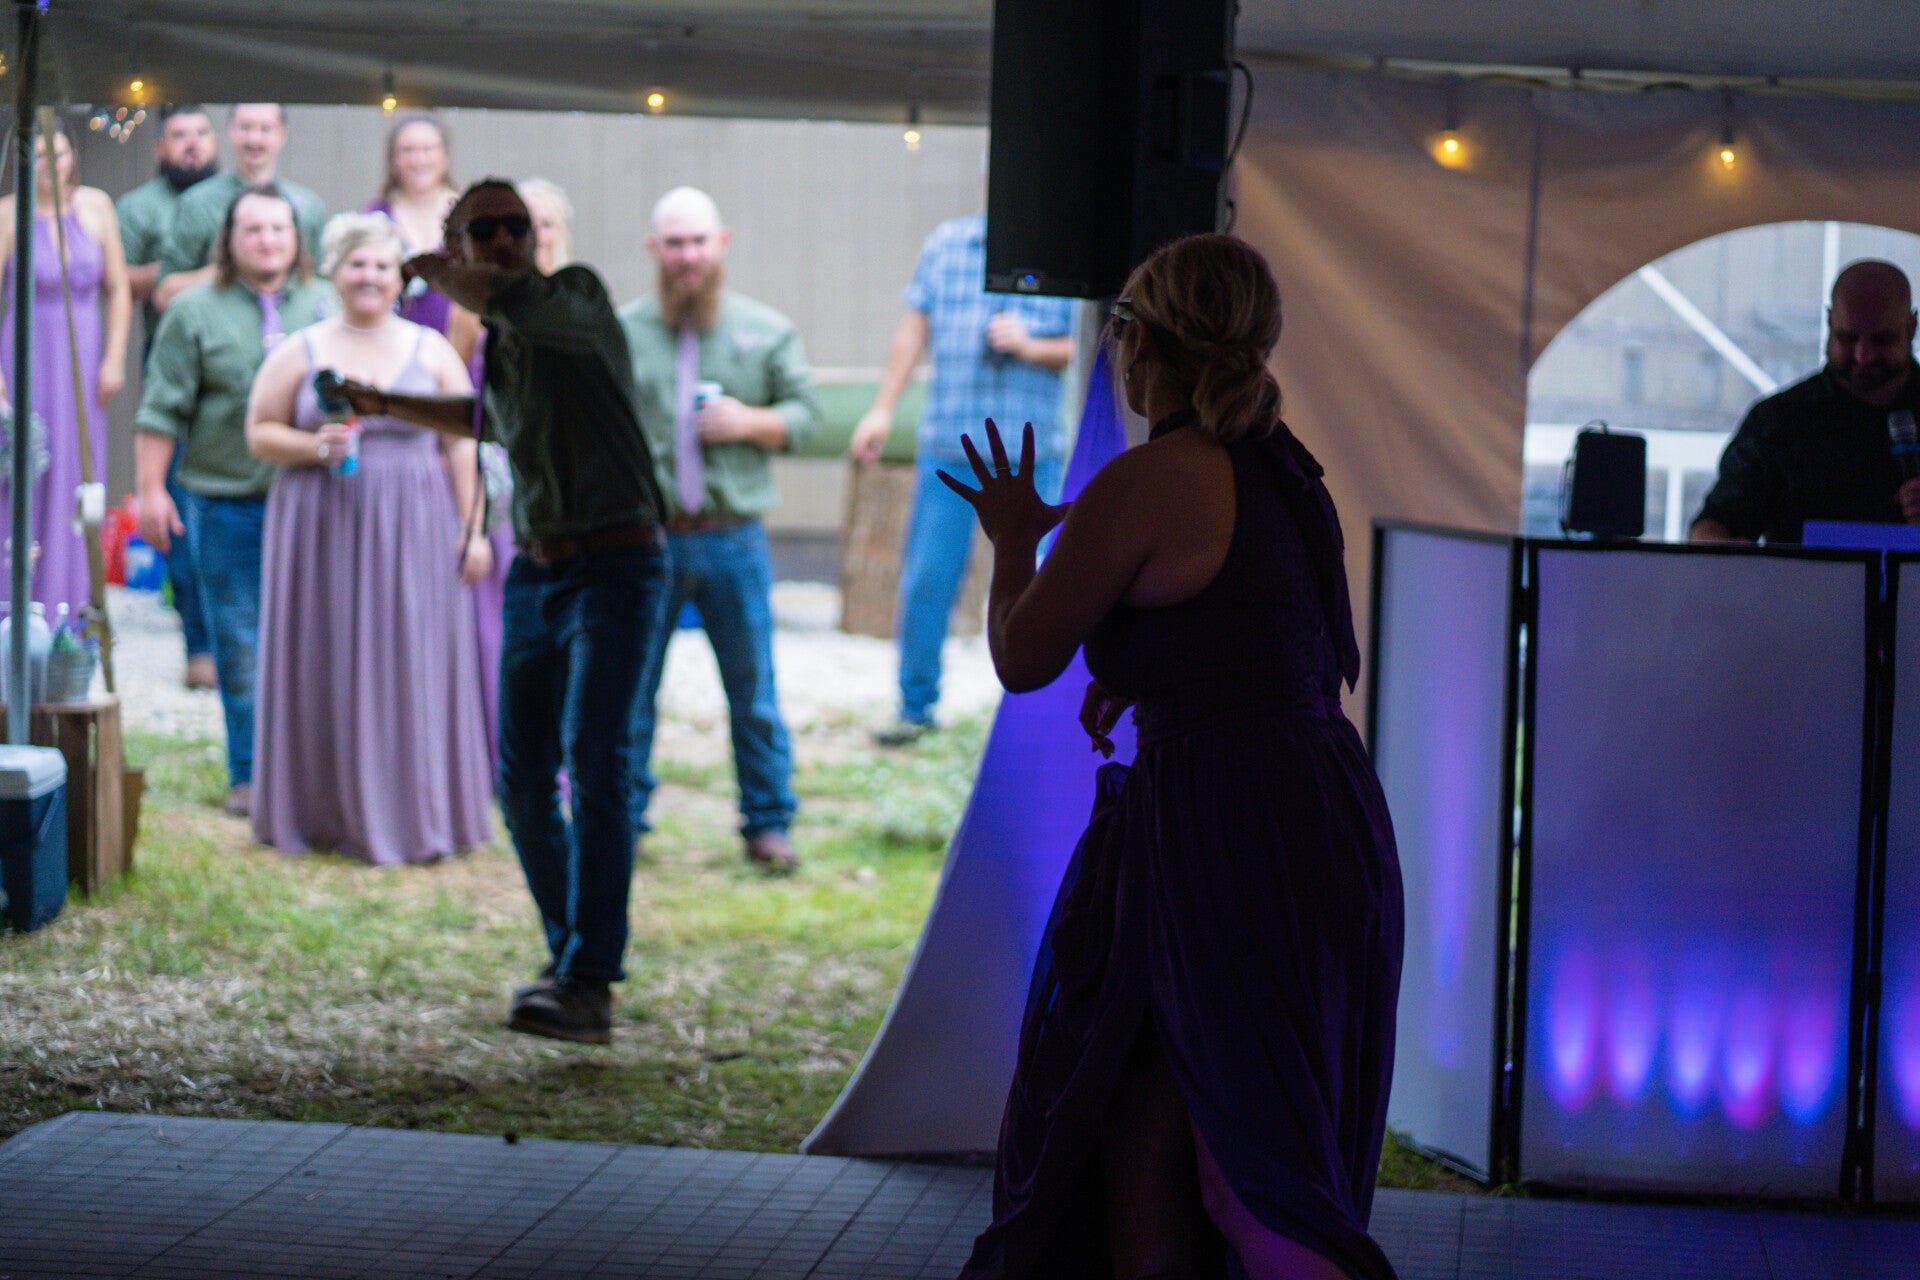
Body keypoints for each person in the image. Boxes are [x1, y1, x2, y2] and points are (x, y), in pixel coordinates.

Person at [949, 235, 1403, 1280]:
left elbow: (1023, 656)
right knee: (1138, 1138)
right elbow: (1267, 642)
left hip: (1229, 842)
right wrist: (1153, 673)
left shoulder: (1150, 480)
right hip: (1308, 817)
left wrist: (1013, 536)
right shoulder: (1286, 474)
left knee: (1246, 1171)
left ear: (1142, 339)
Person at [338, 179, 670, 1045]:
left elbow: (512, 298)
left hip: (618, 562)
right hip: (540, 568)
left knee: (596, 763)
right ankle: (572, 961)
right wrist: (385, 403)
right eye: (483, 229)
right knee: (522, 782)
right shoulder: (506, 338)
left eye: (514, 224)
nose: (505, 238)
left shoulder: (574, 296)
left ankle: (589, 979)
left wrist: (431, 267)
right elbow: (489, 419)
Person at [244, 213, 493, 865]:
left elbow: (461, 442)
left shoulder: (431, 349)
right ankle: (320, 810)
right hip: (318, 523)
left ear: (400, 278)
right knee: (323, 654)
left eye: (383, 265)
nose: (370, 277)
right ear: (334, 271)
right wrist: (312, 447)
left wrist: (472, 529)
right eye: (357, 264)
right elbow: (259, 431)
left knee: (413, 657)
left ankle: (416, 812)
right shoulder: (299, 349)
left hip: (416, 522)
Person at [619, 187, 819, 873]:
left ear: (722, 243)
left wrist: (750, 421)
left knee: (752, 689)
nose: (688, 256)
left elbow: (808, 417)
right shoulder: (624, 331)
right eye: (674, 243)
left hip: (735, 537)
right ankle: (623, 817)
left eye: (698, 241)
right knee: (630, 687)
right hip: (646, 540)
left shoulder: (765, 328)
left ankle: (768, 823)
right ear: (654, 249)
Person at [134, 184, 330, 817]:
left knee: (317, 641)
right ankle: (251, 776)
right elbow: (161, 409)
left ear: (297, 238)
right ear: (229, 240)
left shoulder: (328, 306)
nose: (267, 240)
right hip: (225, 504)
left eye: (279, 229)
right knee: (241, 643)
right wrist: (150, 491)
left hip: (317, 506)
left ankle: (315, 775)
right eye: (253, 230)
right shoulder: (194, 312)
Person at [849, 203, 1075, 746]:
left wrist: (1028, 345)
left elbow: (1085, 346)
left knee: (1044, 582)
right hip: (951, 446)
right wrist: (882, 408)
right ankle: (916, 708)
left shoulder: (1062, 250)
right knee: (927, 578)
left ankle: (1033, 715)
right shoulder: (945, 244)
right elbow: (913, 330)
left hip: (1031, 453)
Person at [1691, 260, 1920, 544]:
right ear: (1829, 323)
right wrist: (1718, 547)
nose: (1863, 355)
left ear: (1911, 327)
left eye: (1881, 340)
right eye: (1848, 338)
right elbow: (1715, 525)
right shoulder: (1778, 422)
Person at [0, 125, 131, 618]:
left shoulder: (96, 205)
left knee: (78, 476)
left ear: (72, 155)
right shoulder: (7, 213)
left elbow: (119, 287)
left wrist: (114, 356)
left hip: (84, 356)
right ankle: (14, 610)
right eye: (36, 155)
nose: (49, 164)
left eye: (57, 153)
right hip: (27, 354)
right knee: (27, 468)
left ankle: (71, 609)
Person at [117, 103, 220, 690]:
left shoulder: (243, 198)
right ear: (159, 146)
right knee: (177, 496)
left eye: (201, 133)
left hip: (240, 358)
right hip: (171, 357)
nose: (192, 144)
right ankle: (197, 637)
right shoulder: (140, 207)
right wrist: (192, 275)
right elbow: (119, 278)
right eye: (179, 135)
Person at [154, 104, 325, 311]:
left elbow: (320, 286)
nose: (254, 139)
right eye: (245, 128)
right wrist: (229, 271)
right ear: (230, 131)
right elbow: (164, 293)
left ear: (282, 134)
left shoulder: (308, 205)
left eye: (265, 129)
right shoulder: (197, 203)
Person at [363, 112, 461, 332]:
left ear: (445, 155)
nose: (418, 160)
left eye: (428, 149)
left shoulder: (470, 215)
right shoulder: (375, 217)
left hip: (459, 342)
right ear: (393, 159)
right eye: (407, 151)